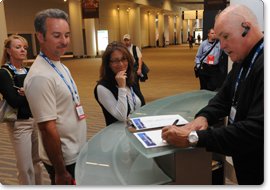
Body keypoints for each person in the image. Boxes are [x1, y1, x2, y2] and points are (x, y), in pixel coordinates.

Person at [162, 5, 263, 185]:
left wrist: (194, 138)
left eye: (225, 36)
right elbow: (223, 98)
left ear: (246, 28)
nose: (222, 45)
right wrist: (204, 117)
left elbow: (256, 130)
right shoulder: (243, 58)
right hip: (245, 160)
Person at [24, 9, 87, 185]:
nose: (64, 41)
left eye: (66, 35)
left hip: (76, 152)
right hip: (64, 160)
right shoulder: (40, 77)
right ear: (40, 37)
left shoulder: (59, 65)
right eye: (57, 35)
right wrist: (60, 171)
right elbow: (46, 129)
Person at [0, 34, 44, 185]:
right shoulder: (4, 73)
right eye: (18, 47)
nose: (23, 50)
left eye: (24, 47)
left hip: (35, 120)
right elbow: (14, 101)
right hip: (19, 124)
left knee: (38, 162)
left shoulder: (29, 71)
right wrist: (32, 93)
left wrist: (28, 93)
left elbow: (42, 95)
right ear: (8, 51)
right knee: (25, 167)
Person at [94, 41, 145, 126]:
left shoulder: (131, 79)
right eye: (115, 61)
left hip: (137, 128)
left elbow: (141, 106)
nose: (121, 64)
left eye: (124, 59)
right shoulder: (102, 87)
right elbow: (122, 116)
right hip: (118, 134)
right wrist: (121, 87)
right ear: (108, 64)